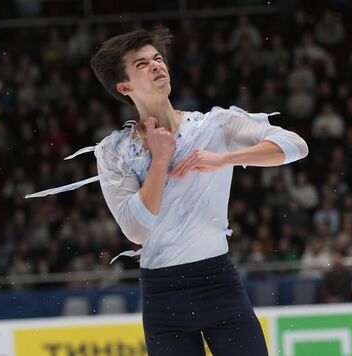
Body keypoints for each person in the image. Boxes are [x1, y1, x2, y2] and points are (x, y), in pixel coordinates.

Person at [26, 28, 308, 356]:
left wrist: (224, 158)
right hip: (163, 299)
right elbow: (136, 229)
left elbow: (295, 146)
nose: (158, 66)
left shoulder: (215, 126)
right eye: (143, 64)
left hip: (219, 283)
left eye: (158, 59)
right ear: (124, 86)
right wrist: (160, 160)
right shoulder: (114, 151)